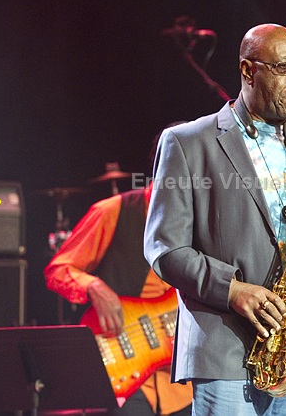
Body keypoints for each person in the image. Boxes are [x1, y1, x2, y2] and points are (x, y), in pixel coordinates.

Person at [143, 24, 286, 416]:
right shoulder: (187, 142)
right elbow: (165, 249)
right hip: (226, 350)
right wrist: (233, 291)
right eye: (283, 68)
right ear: (248, 71)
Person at [44, 125, 192, 416]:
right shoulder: (113, 210)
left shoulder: (207, 222)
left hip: (185, 382)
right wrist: (93, 286)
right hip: (126, 375)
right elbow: (58, 269)